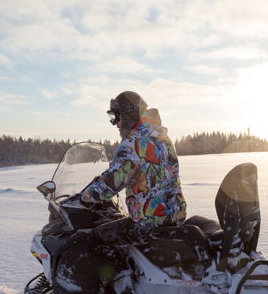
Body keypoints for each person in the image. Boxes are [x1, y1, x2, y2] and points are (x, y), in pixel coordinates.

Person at [80, 91, 187, 245]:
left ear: (128, 116)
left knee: (95, 238)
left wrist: (85, 196)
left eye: (116, 117)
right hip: (176, 216)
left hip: (149, 223)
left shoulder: (133, 143)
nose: (115, 124)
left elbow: (112, 182)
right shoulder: (162, 137)